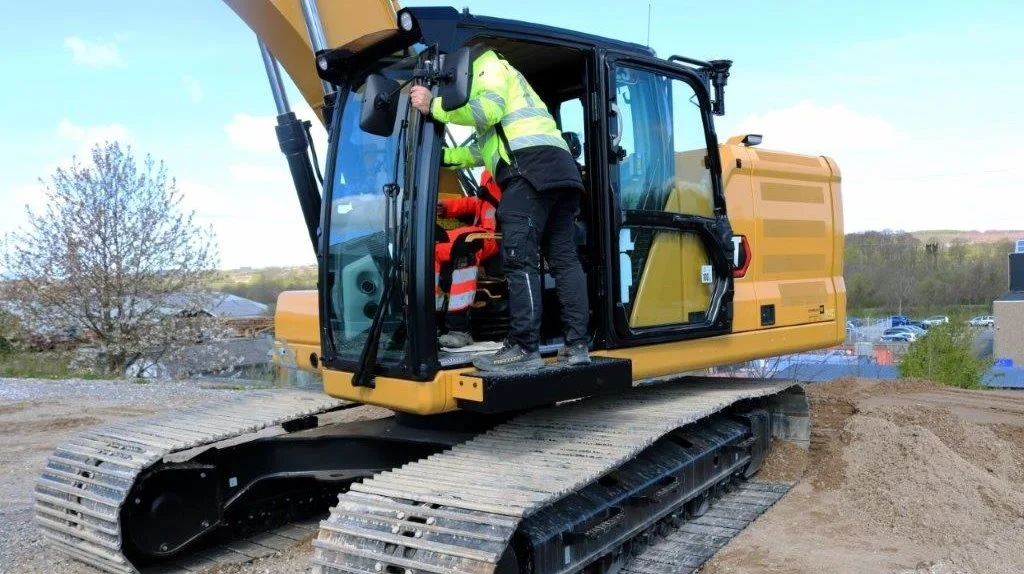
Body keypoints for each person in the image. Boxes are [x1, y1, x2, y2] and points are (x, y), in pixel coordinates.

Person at [410, 45, 590, 372]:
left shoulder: (486, 65)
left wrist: (434, 107)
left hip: (531, 169)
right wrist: (443, 158)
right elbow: (482, 152)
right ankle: (577, 345)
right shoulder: (509, 92)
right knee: (564, 259)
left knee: (519, 257)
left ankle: (524, 348)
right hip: (560, 171)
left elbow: (487, 111)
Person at [434, 169, 503, 349]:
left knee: (464, 246)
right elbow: (479, 202)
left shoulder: (514, 167)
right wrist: (448, 207)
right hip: (482, 231)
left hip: (498, 236)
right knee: (432, 244)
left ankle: (459, 329)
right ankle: (431, 319)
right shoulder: (489, 172)